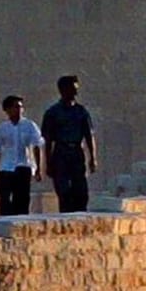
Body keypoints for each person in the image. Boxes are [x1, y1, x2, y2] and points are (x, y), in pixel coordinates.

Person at [42, 74, 98, 212]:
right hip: (61, 153)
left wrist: (93, 158)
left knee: (81, 192)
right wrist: (48, 163)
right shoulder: (53, 113)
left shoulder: (81, 112)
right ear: (63, 90)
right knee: (64, 192)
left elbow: (89, 136)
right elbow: (48, 141)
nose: (76, 92)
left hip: (77, 153)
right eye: (73, 89)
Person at [0, 94, 42, 216]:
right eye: (16, 107)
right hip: (6, 168)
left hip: (24, 166)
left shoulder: (30, 126)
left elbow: (36, 146)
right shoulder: (1, 129)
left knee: (22, 200)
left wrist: (38, 168)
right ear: (7, 110)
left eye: (21, 107)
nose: (19, 110)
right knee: (5, 200)